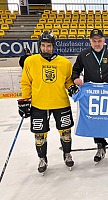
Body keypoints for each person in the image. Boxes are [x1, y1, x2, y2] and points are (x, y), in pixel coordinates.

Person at [18, 31, 75, 174]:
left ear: (54, 46)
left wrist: (72, 87)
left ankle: (67, 154)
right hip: (39, 104)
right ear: (39, 46)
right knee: (39, 134)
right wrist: (25, 101)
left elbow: (68, 81)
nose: (46, 49)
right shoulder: (30, 61)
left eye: (49, 46)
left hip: (61, 102)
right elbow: (26, 82)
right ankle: (42, 158)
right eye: (43, 45)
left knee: (66, 132)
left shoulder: (65, 62)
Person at [71, 28, 108, 163]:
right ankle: (100, 146)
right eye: (94, 41)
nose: (97, 43)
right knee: (95, 120)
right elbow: (75, 71)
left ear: (104, 41)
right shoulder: (84, 55)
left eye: (99, 40)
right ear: (90, 41)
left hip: (107, 94)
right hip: (91, 94)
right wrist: (76, 79)